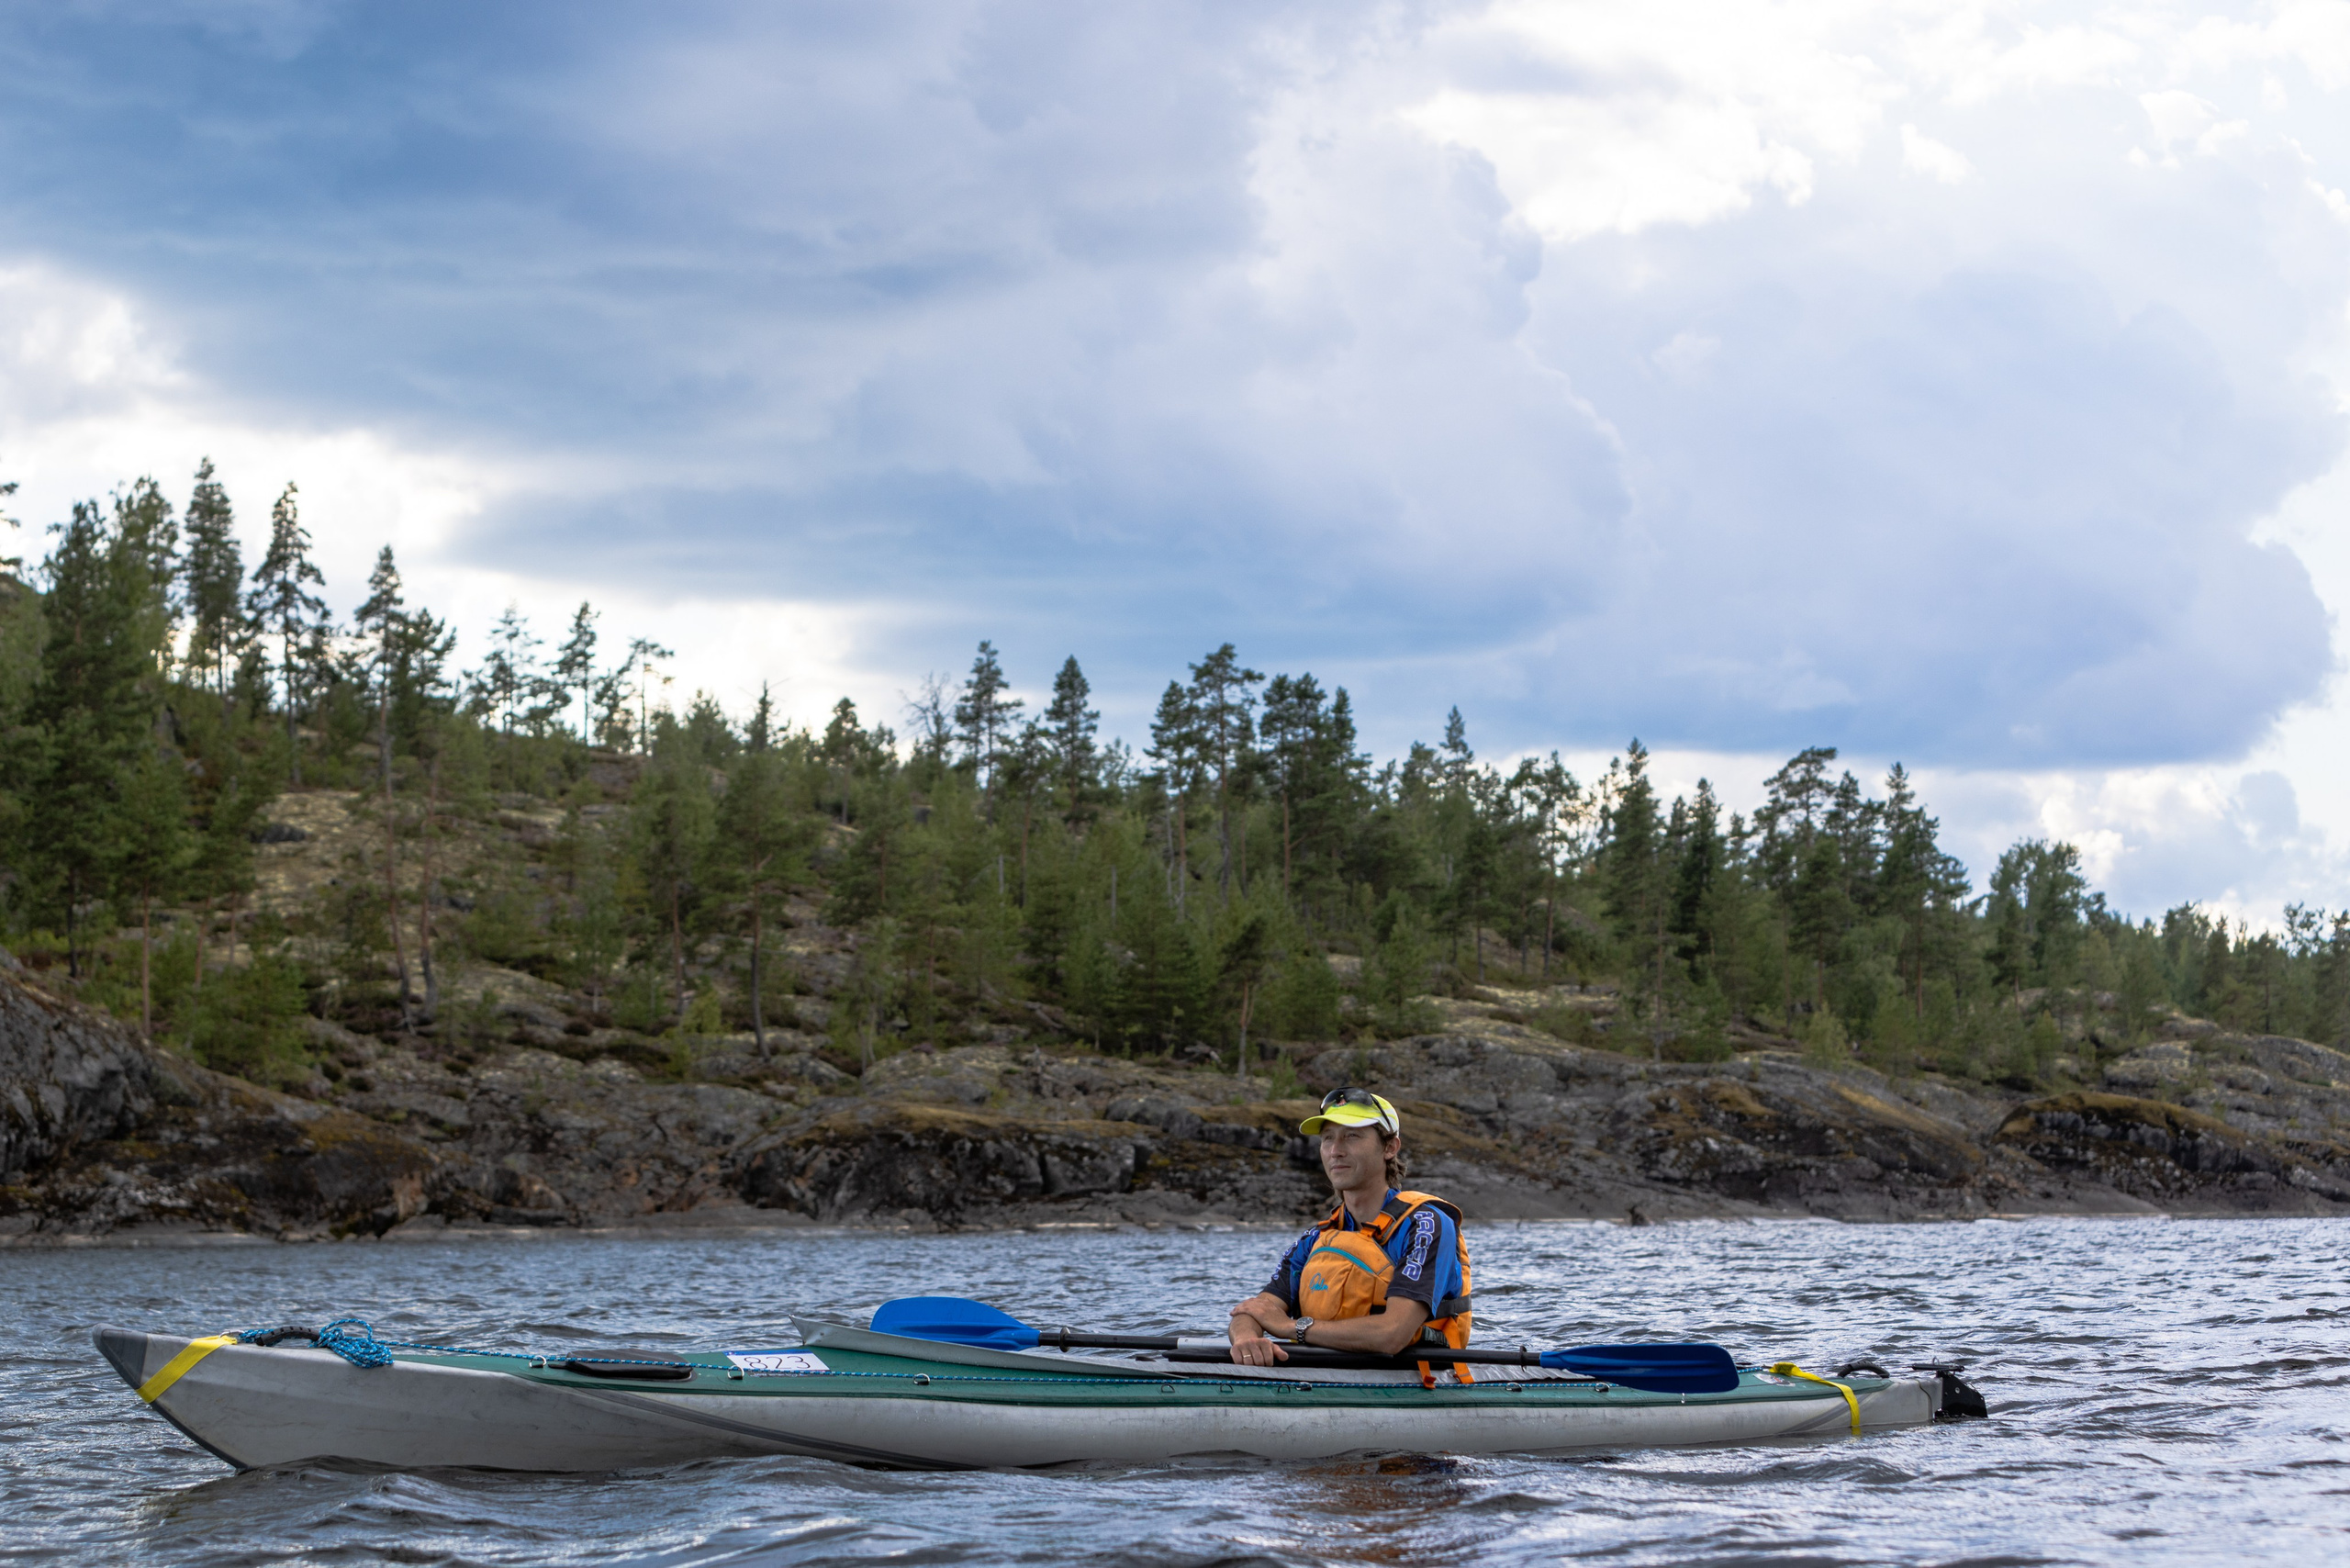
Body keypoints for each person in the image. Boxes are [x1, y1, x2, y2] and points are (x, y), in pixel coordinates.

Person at [1227, 1089, 1472, 1370]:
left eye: (1352, 1136)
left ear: (1390, 1148)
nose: (1335, 1150)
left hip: (1413, 1376)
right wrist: (1246, 1339)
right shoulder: (1316, 1239)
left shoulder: (1426, 1225)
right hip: (1331, 1374)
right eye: (1328, 1138)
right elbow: (1252, 1311)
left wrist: (1291, 1328)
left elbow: (1392, 1334)